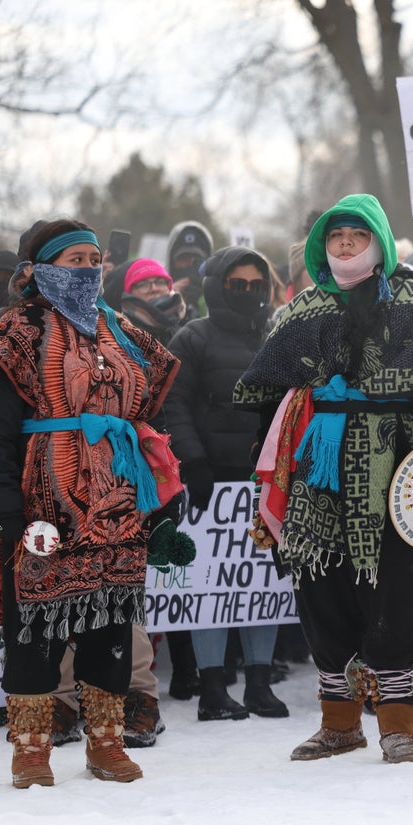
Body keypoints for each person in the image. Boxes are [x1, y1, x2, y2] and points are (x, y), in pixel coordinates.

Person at [234, 193, 413, 765]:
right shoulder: (302, 309)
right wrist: (273, 452)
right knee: (321, 590)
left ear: (379, 241)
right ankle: (339, 723)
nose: (345, 245)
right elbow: (266, 394)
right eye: (335, 237)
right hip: (316, 471)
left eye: (356, 235)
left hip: (393, 471)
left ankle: (399, 726)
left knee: (393, 594)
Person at [0, 219, 181, 787]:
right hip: (44, 496)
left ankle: (106, 742)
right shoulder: (14, 333)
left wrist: (164, 492)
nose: (87, 268)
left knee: (112, 619)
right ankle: (31, 748)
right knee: (35, 623)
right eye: (73, 258)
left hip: (120, 496)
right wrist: (5, 504)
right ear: (40, 268)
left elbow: (149, 412)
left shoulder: (120, 328)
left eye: (94, 258)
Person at [164, 246, 289, 723]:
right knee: (210, 585)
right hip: (210, 484)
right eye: (238, 284)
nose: (249, 293)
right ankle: (212, 687)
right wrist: (193, 463)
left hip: (267, 480)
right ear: (218, 286)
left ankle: (259, 682)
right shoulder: (191, 337)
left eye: (257, 285)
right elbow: (173, 404)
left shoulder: (278, 335)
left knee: (263, 581)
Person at [166, 220, 214, 319]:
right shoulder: (157, 291)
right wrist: (167, 299)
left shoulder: (215, 299)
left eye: (197, 260)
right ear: (171, 262)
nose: (190, 264)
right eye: (183, 258)